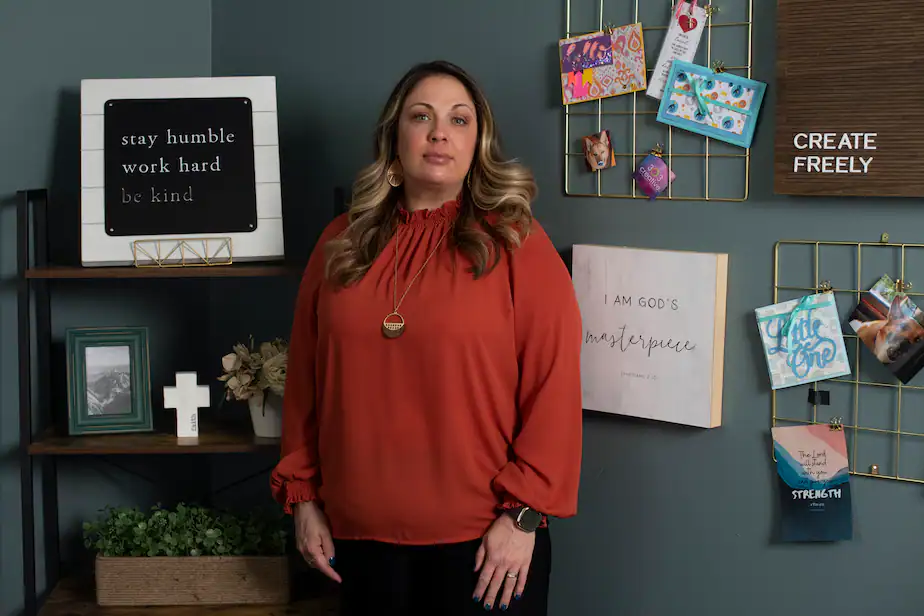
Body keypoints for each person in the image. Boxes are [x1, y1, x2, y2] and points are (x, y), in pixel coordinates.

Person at [270, 60, 583, 616]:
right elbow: (305, 381)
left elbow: (554, 388)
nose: (440, 132)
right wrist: (304, 499)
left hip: (487, 547)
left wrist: (524, 517)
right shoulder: (339, 244)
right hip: (356, 544)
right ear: (396, 136)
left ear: (476, 143)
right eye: (422, 116)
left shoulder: (516, 243)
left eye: (459, 120)